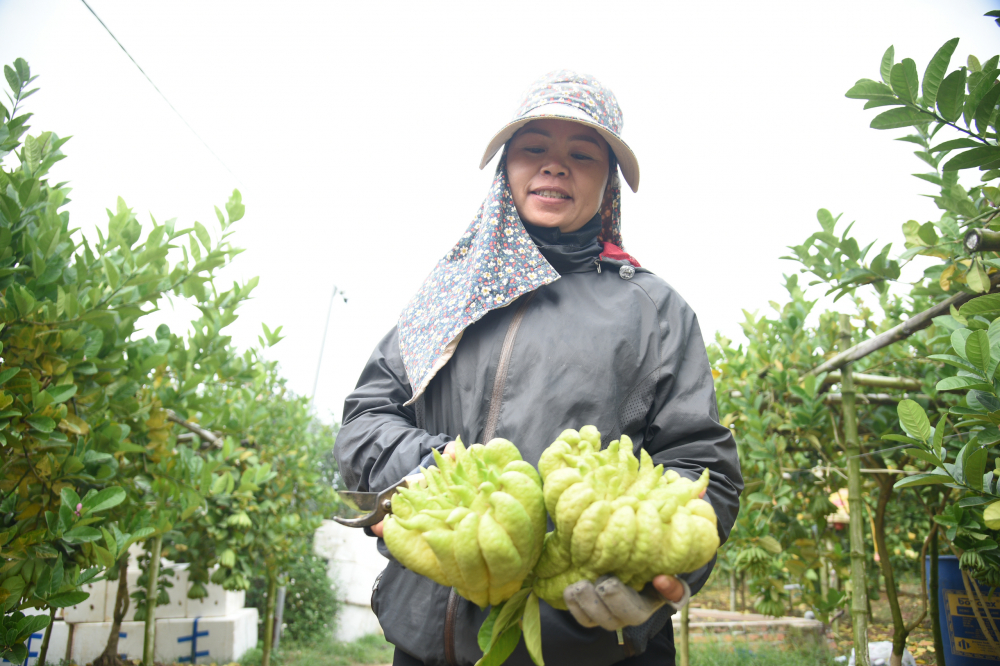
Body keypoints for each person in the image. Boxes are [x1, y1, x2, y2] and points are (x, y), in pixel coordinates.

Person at [335, 70, 742, 666]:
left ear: (609, 185)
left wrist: (660, 567)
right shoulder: (449, 294)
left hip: (591, 641)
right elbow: (366, 417)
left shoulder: (653, 311)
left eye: (582, 153)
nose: (555, 167)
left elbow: (704, 468)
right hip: (428, 640)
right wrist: (434, 475)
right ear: (506, 167)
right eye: (534, 149)